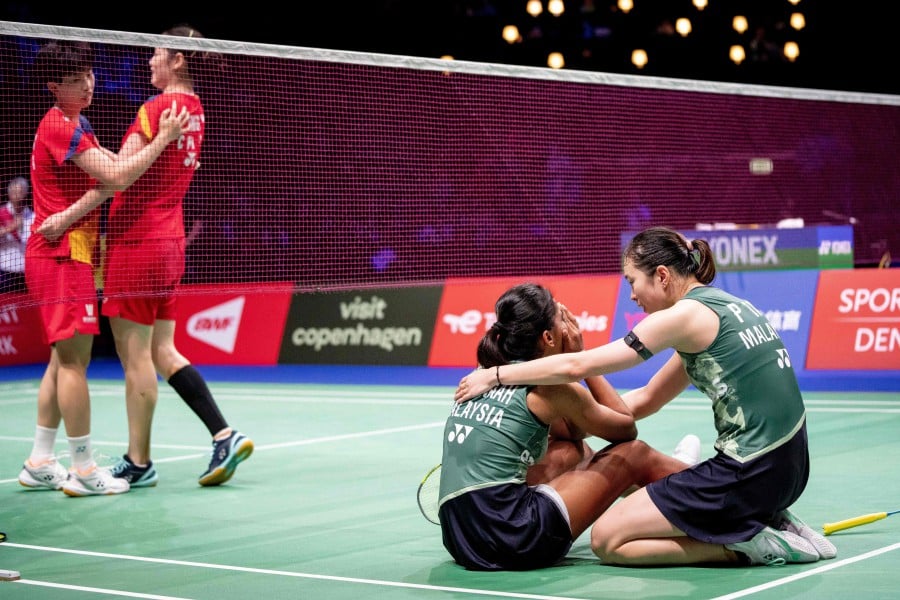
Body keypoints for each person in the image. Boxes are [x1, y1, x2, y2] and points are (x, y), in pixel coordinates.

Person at [455, 227, 838, 567]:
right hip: (789, 466)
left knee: (608, 540)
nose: (633, 296)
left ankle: (753, 545)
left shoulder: (682, 316)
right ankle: (767, 513)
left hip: (749, 472)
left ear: (662, 276)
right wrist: (585, 418)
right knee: (616, 457)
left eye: (632, 282)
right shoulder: (726, 307)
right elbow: (647, 399)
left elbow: (576, 367)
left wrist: (497, 374)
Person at [18, 40, 189, 496]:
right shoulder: (59, 126)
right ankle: (84, 468)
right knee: (75, 362)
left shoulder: (80, 122)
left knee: (61, 358)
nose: (89, 85)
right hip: (62, 254)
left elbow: (116, 171)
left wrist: (79, 208)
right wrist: (164, 142)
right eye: (77, 81)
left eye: (91, 75)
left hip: (72, 248)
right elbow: (115, 180)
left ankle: (39, 460)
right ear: (54, 86)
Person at [439, 282, 701, 571]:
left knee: (570, 450)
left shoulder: (481, 375)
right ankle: (701, 488)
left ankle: (670, 480)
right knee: (635, 453)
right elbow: (625, 430)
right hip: (515, 539)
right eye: (561, 319)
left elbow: (572, 434)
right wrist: (582, 360)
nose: (568, 325)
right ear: (549, 337)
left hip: (462, 540)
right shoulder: (552, 390)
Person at [100, 25, 254, 488]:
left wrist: (78, 152)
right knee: (163, 350)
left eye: (156, 53)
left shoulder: (158, 108)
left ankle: (138, 461)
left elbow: (115, 176)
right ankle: (224, 434)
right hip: (169, 243)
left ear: (178, 59)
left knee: (136, 359)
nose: (149, 60)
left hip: (137, 243)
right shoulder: (196, 111)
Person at [0, 176, 34, 293]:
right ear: (8, 193)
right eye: (14, 192)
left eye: (20, 192)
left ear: (26, 193)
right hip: (5, 272)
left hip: (26, 274)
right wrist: (10, 228)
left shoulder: (32, 216)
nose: (17, 196)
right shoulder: (1, 213)